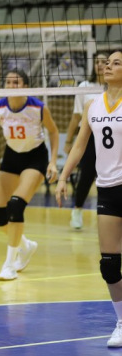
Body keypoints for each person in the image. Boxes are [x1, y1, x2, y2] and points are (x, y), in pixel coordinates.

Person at [56, 50, 122, 347]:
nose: (108, 66)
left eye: (116, 63)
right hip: (107, 189)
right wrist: (62, 177)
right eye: (107, 62)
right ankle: (121, 322)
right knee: (109, 265)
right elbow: (80, 146)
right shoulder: (92, 105)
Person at [0, 68, 59, 281]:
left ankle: (9, 265)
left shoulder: (37, 108)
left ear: (26, 86)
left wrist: (52, 162)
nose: (12, 86)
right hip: (11, 156)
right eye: (9, 82)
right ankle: (25, 245)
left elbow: (54, 131)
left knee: (16, 205)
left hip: (35, 157)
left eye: (16, 82)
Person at [64, 52, 109, 229]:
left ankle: (109, 214)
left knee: (111, 178)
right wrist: (68, 141)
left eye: (104, 62)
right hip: (90, 139)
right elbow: (76, 116)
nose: (100, 65)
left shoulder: (116, 86)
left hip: (113, 139)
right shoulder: (85, 86)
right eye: (97, 62)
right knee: (86, 176)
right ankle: (77, 210)